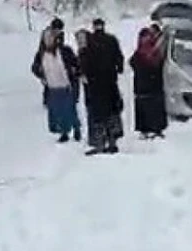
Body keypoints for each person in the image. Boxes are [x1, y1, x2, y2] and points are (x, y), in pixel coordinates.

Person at [79, 18, 125, 154]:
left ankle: (99, 141)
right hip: (110, 82)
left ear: (94, 27)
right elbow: (119, 58)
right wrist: (118, 68)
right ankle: (112, 140)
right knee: (112, 111)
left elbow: (83, 60)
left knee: (97, 113)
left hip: (95, 84)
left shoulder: (88, 43)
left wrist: (84, 74)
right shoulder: (111, 40)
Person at [30, 28, 81, 142]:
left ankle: (76, 129)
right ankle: (64, 132)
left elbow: (76, 64)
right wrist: (42, 75)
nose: (48, 41)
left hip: (66, 85)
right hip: (53, 86)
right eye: (46, 39)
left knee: (70, 109)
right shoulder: (41, 54)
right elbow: (34, 68)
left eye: (50, 38)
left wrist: (74, 72)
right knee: (58, 111)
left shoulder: (65, 51)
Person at [130, 26, 168, 139]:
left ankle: (145, 129)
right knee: (153, 106)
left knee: (144, 106)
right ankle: (155, 129)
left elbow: (132, 63)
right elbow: (159, 63)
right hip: (153, 86)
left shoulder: (140, 52)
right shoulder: (154, 52)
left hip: (142, 86)